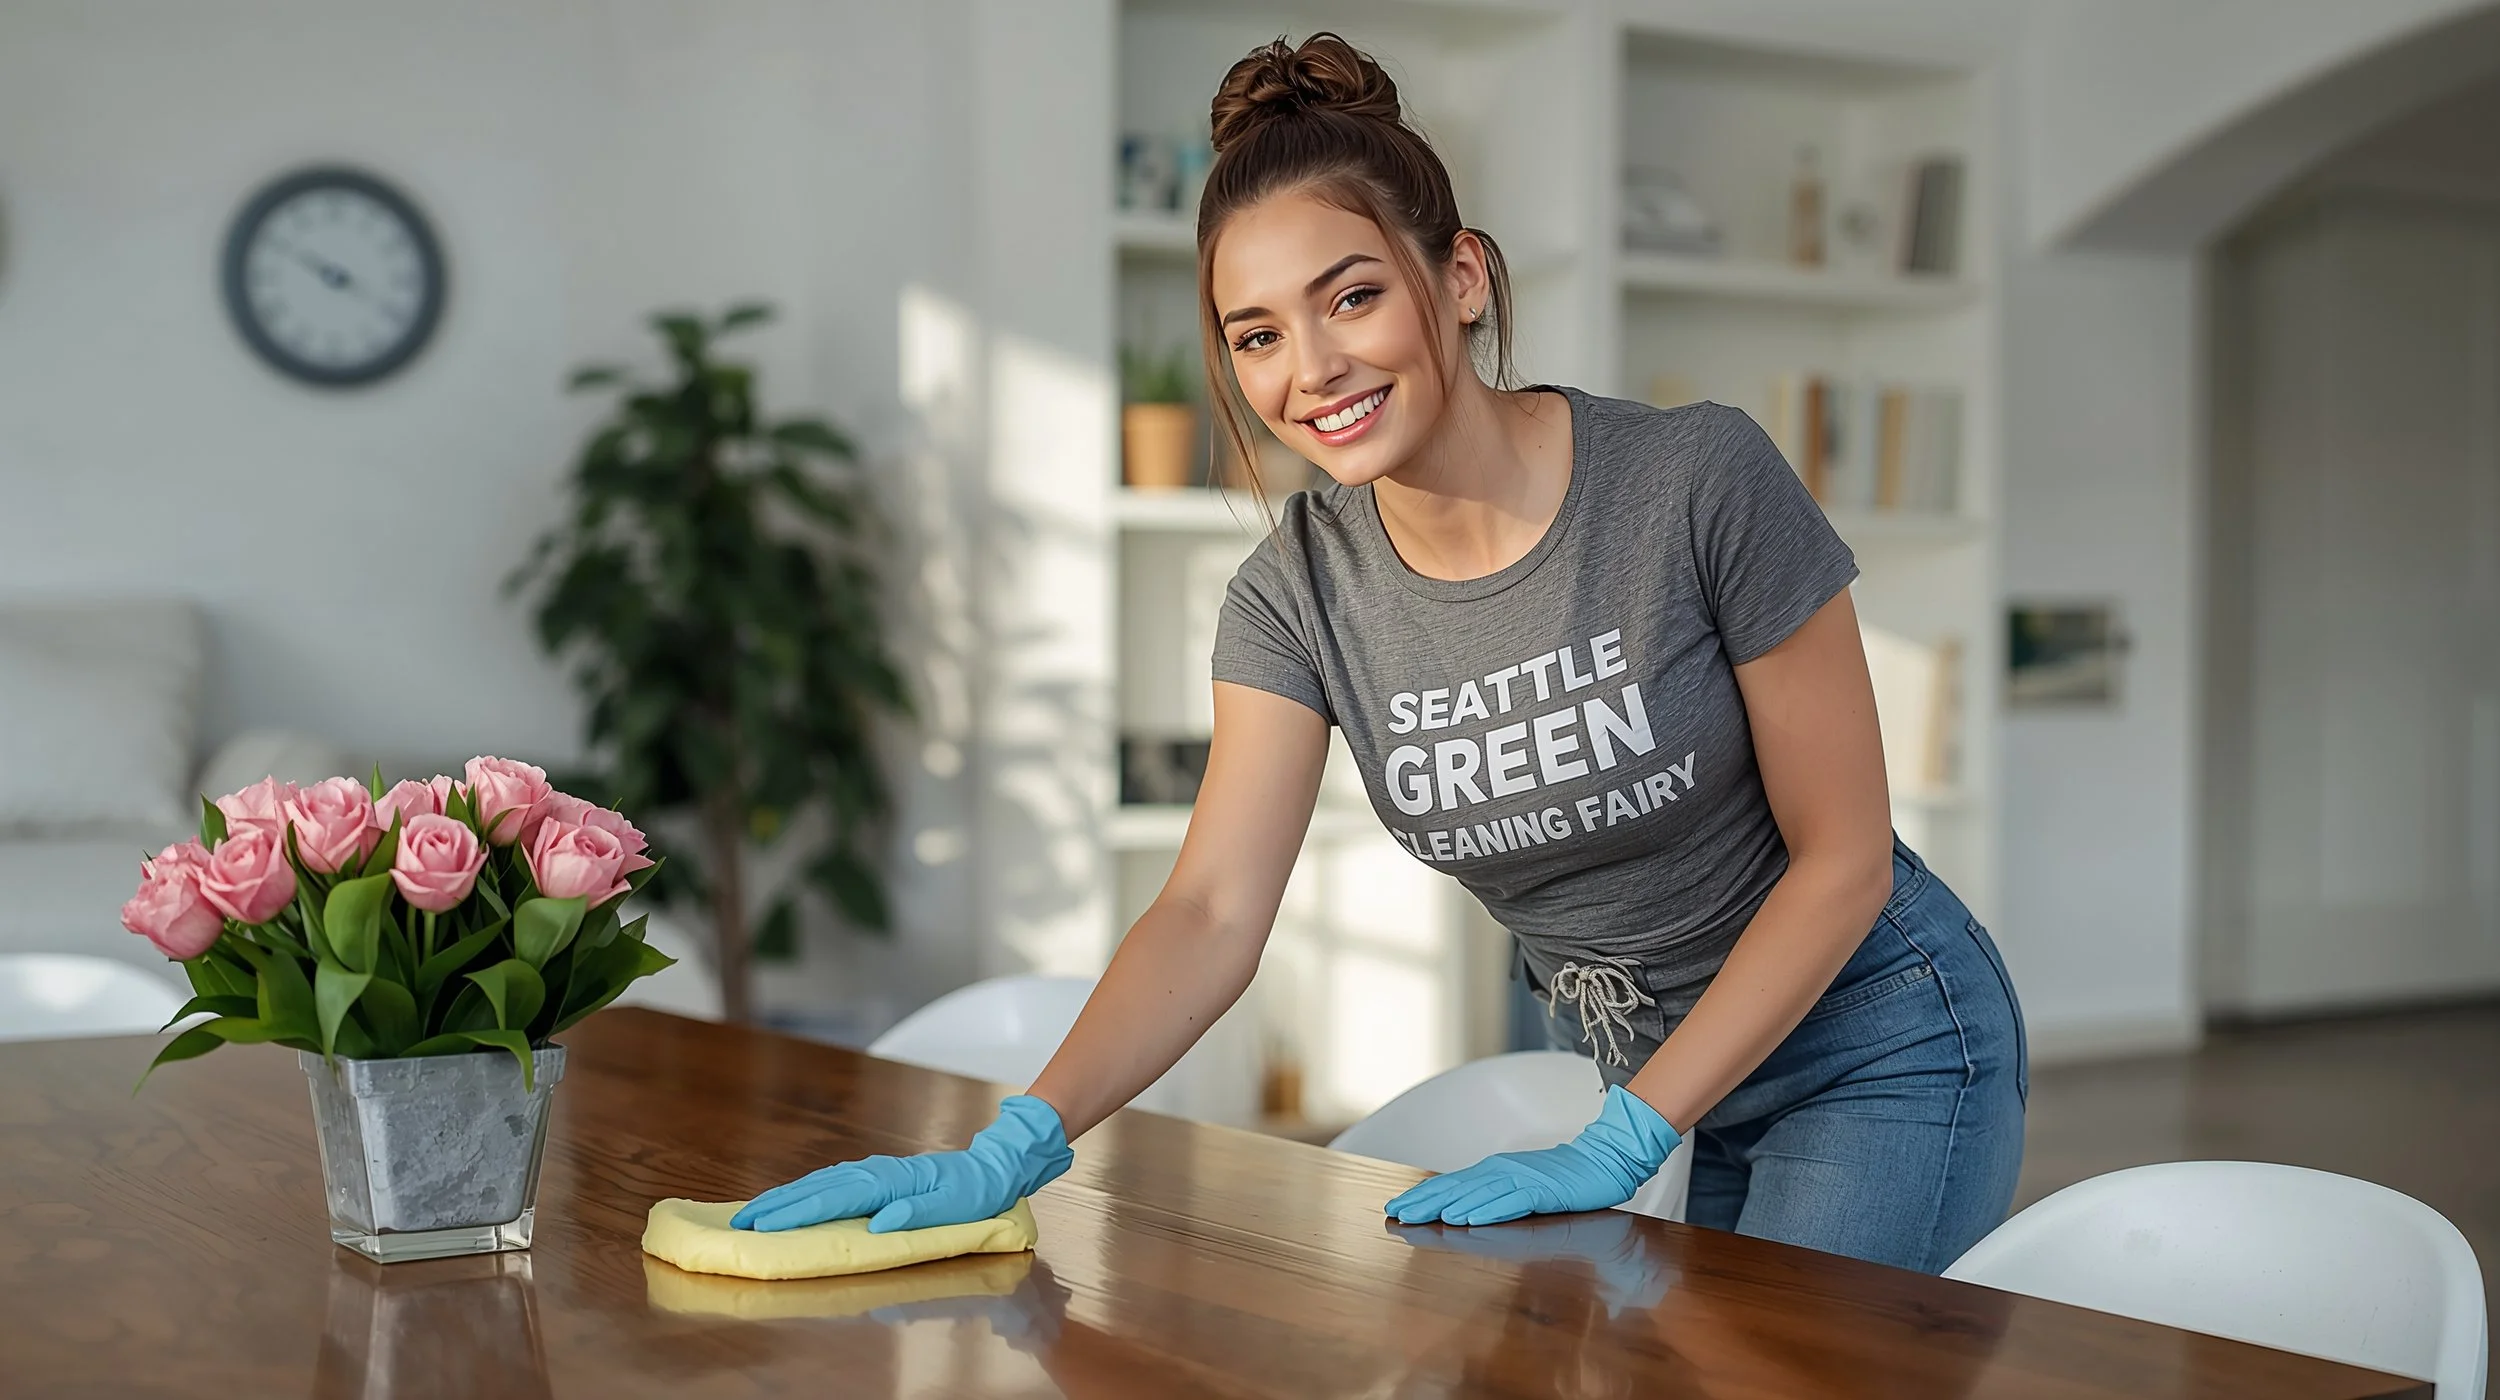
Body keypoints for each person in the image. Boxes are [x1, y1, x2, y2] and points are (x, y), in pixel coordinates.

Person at [734, 31, 2027, 1275]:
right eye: (1256, 335)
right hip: (1649, 1075)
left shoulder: (1694, 484)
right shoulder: (1295, 593)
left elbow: (1846, 858)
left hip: (1878, 1044)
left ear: (1460, 277)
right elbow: (1211, 912)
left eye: (1350, 296)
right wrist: (1017, 1143)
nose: (1312, 369)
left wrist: (1630, 1137)